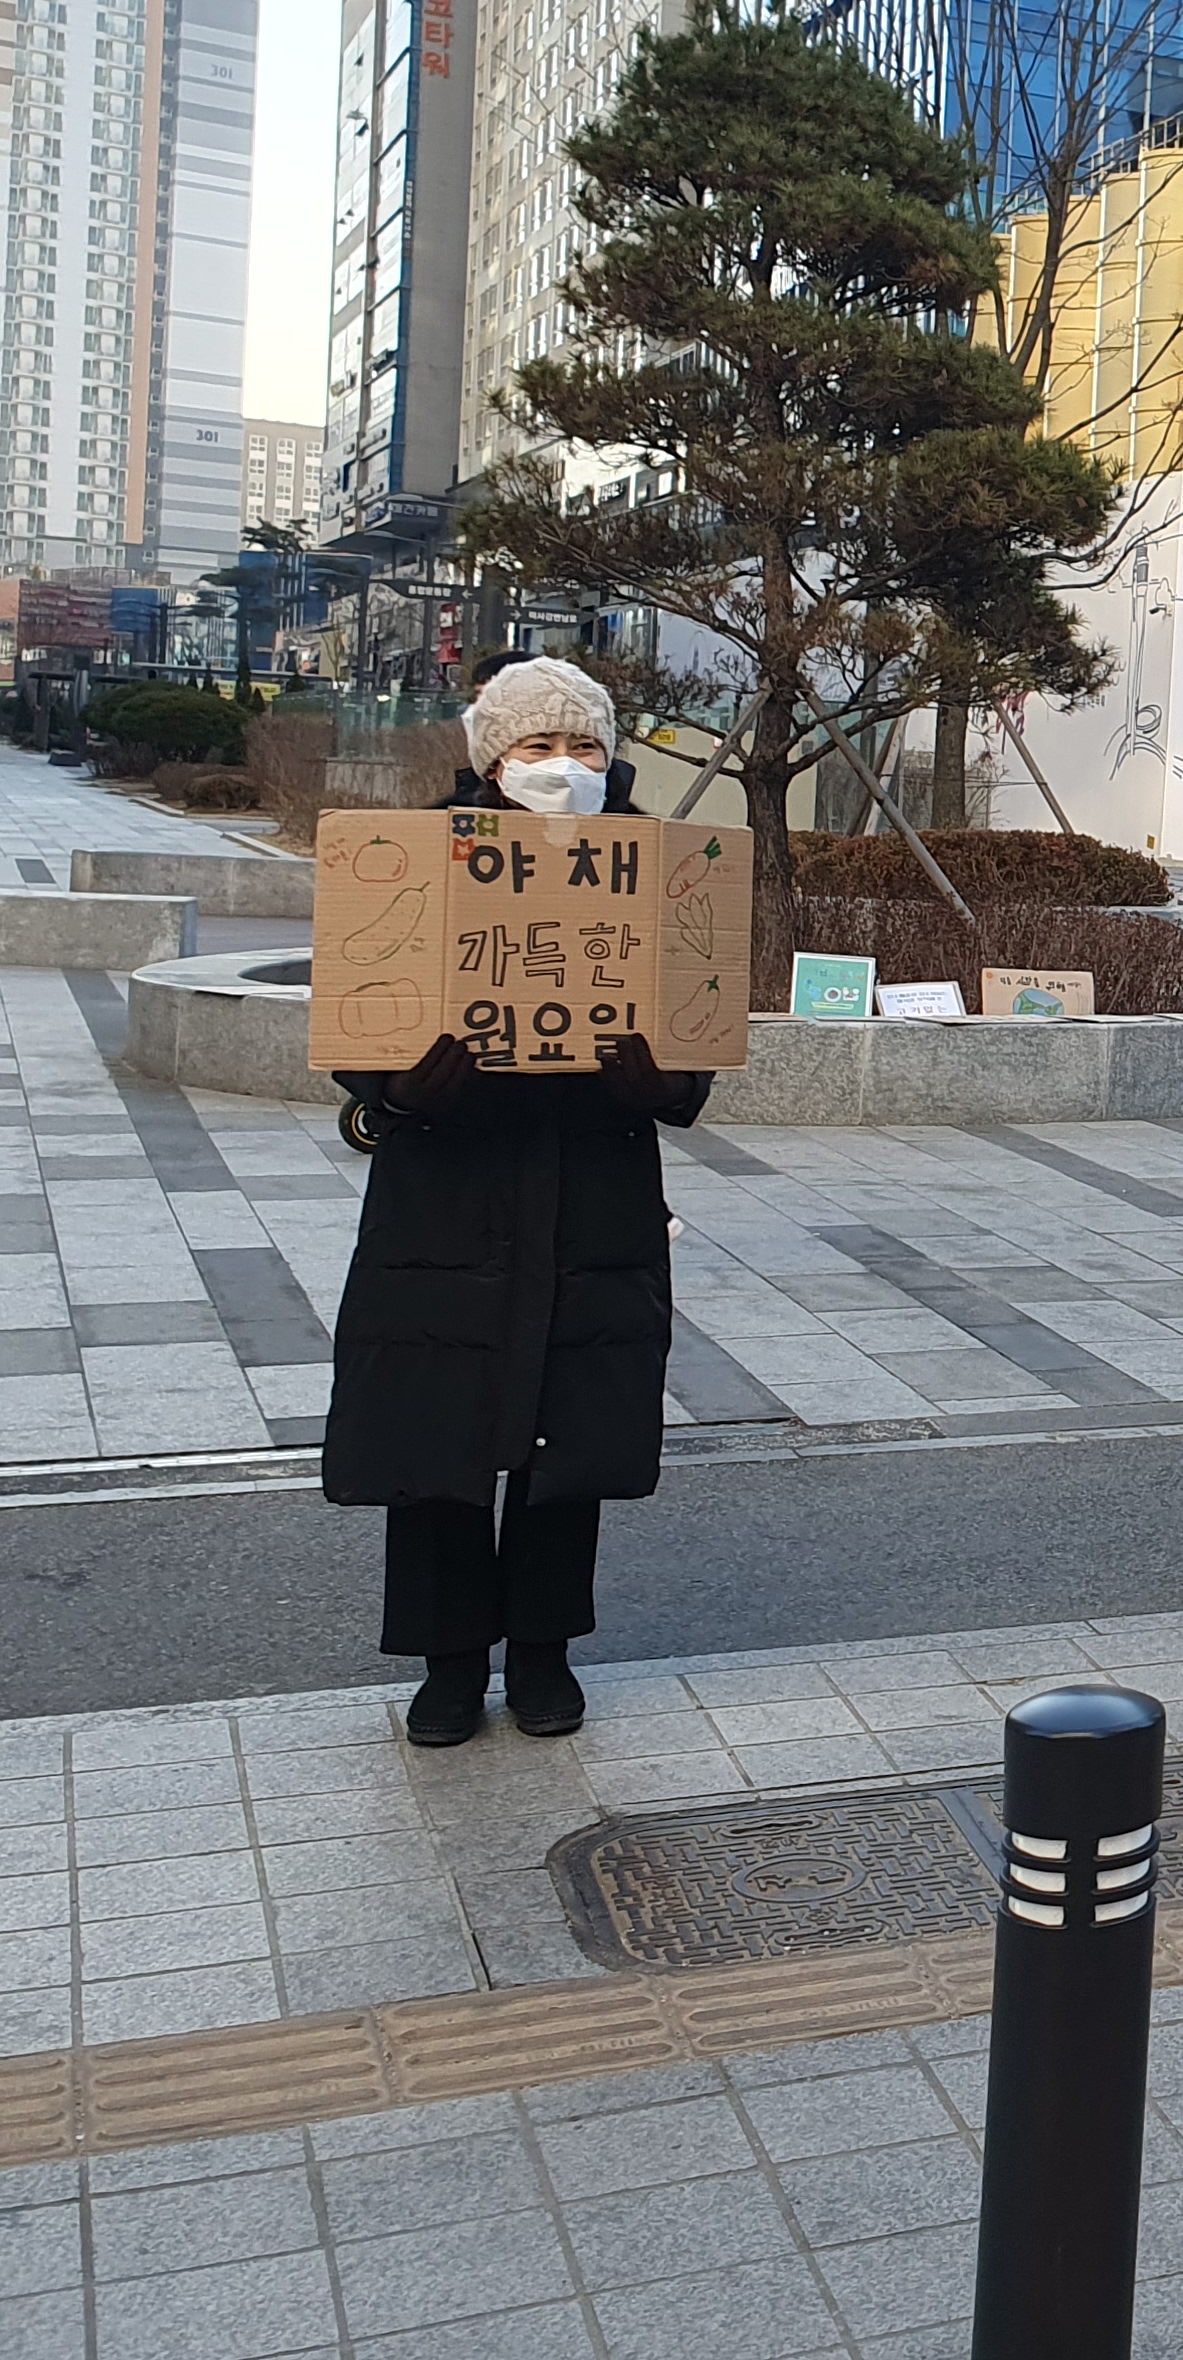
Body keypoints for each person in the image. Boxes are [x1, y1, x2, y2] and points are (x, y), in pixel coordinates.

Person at [323, 659, 713, 1746]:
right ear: (490, 761)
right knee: (438, 1430)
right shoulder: (416, 867)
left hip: (592, 1192)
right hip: (449, 1195)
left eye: (583, 748)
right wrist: (397, 1089)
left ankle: (544, 1651)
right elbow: (362, 1005)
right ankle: (450, 1664)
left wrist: (662, 1081)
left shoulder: (660, 872)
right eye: (536, 749)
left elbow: (700, 1027)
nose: (562, 769)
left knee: (568, 1434)